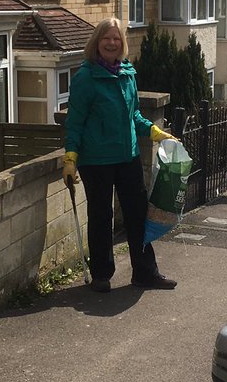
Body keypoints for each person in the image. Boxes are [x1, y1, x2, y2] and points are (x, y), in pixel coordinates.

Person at [63, 18, 177, 293]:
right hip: (96, 160)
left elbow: (134, 115)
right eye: (106, 38)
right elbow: (75, 122)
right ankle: (102, 274)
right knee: (101, 216)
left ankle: (145, 273)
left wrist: (155, 132)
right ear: (97, 42)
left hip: (128, 155)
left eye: (116, 38)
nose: (111, 43)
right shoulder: (85, 78)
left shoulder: (127, 74)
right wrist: (70, 158)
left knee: (138, 214)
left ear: (122, 43)